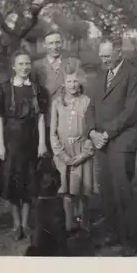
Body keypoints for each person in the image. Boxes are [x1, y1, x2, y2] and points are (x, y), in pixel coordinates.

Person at [85, 37, 137, 256]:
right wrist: (91, 132)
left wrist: (106, 133)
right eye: (101, 56)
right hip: (101, 142)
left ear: (119, 52)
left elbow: (131, 112)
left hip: (122, 141)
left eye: (107, 56)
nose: (104, 60)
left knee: (123, 191)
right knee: (106, 191)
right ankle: (113, 232)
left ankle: (132, 240)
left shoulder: (134, 75)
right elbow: (91, 106)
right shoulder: (101, 74)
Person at [0, 49, 48, 241]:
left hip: (31, 141)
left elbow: (41, 117)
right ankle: (16, 224)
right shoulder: (3, 88)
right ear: (14, 66)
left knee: (28, 182)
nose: (25, 67)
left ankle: (26, 224)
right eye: (21, 64)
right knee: (12, 182)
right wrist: (0, 145)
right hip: (11, 142)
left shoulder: (37, 89)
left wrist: (42, 143)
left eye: (27, 63)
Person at [50, 66, 96, 234]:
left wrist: (84, 154)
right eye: (69, 81)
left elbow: (92, 128)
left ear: (81, 82)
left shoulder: (87, 101)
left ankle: (83, 221)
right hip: (64, 153)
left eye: (75, 81)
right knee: (66, 190)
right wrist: (61, 154)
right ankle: (69, 222)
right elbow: (52, 132)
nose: (72, 85)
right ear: (63, 82)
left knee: (82, 190)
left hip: (81, 151)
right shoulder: (56, 103)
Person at [32, 30, 81, 151]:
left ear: (62, 43)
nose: (55, 47)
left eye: (58, 42)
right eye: (51, 43)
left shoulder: (73, 63)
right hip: (46, 121)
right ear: (45, 45)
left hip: (69, 121)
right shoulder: (36, 66)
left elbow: (81, 93)